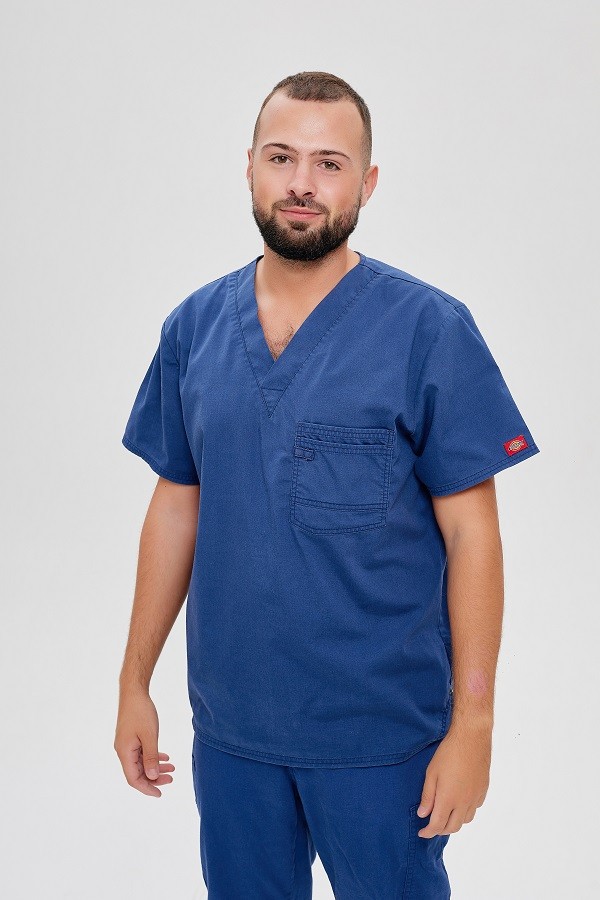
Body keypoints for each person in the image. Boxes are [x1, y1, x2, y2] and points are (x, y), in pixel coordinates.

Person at [114, 71, 540, 898]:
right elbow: (175, 507)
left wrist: (476, 724)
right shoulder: (194, 329)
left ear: (367, 183)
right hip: (233, 732)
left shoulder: (428, 329)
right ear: (249, 167)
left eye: (330, 163)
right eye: (281, 157)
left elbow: (473, 535)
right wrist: (134, 682)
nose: (302, 183)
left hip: (382, 740)